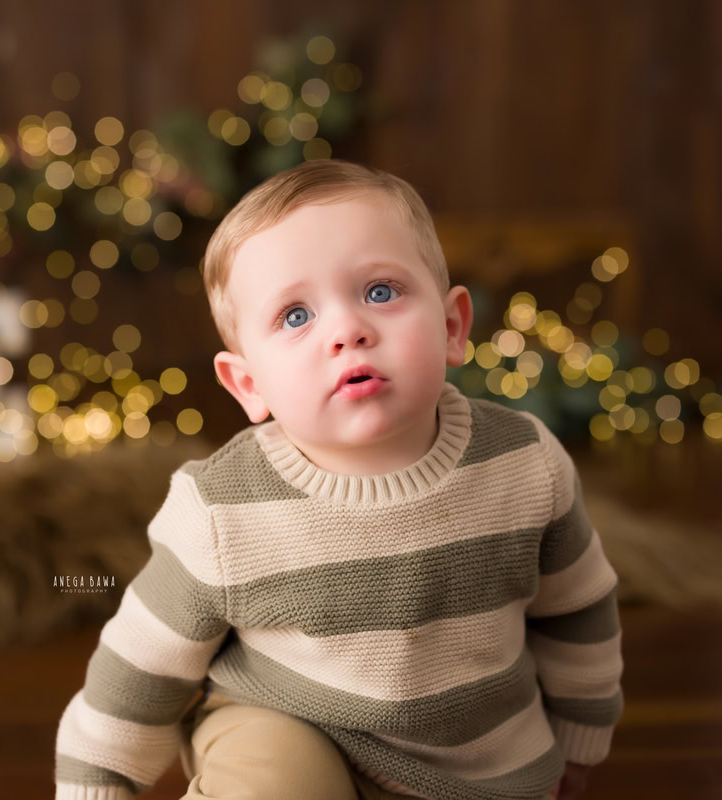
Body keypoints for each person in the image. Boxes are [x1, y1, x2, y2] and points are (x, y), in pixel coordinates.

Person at [53, 159, 623, 800]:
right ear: (249, 384)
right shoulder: (222, 511)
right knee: (279, 780)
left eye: (380, 291)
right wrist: (97, 785)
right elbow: (140, 667)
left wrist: (579, 737)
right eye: (295, 316)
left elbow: (578, 611)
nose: (348, 331)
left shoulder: (523, 464)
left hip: (479, 760)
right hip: (283, 723)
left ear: (452, 326)